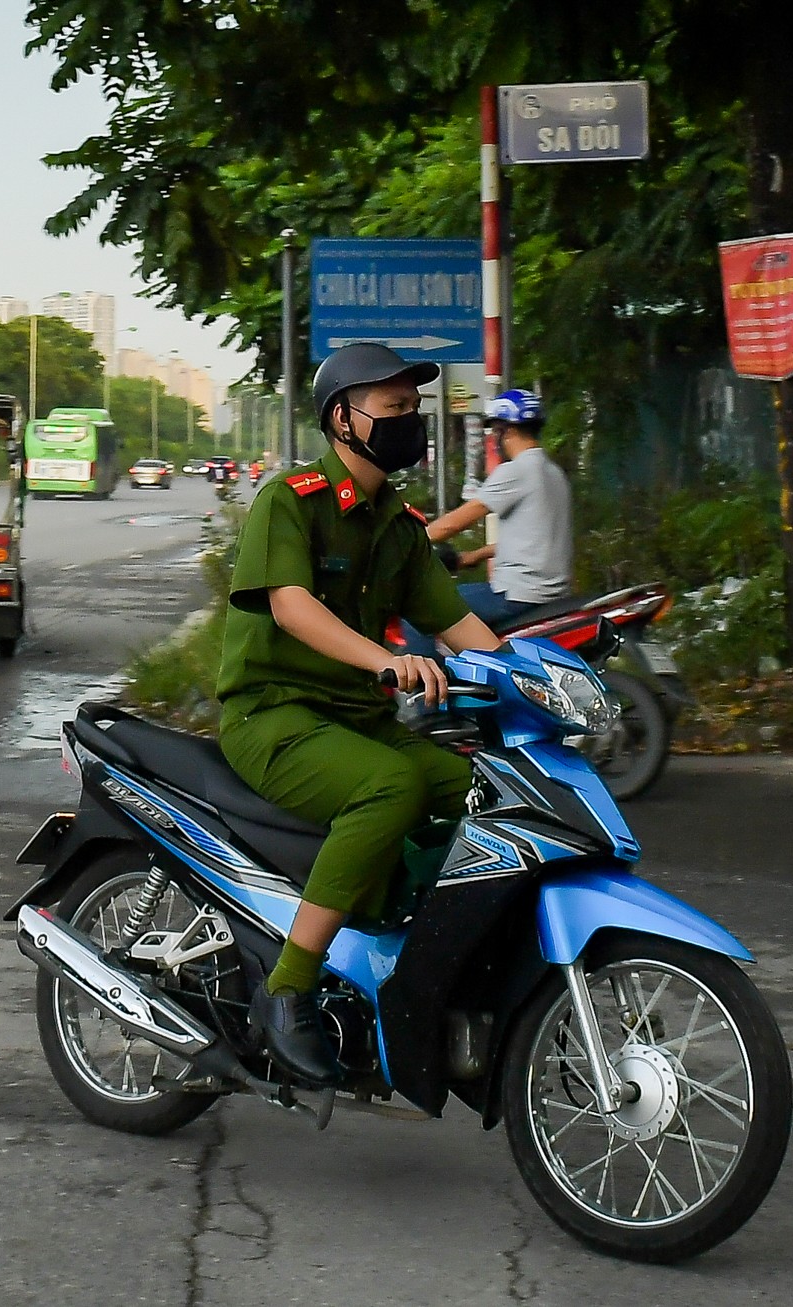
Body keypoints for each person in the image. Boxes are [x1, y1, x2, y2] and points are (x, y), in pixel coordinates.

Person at [216, 343, 506, 1087]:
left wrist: (538, 678)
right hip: (273, 714)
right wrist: (384, 661)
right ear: (343, 419)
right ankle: (288, 987)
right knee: (389, 787)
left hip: (352, 718)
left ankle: (406, 953)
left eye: (415, 409)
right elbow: (291, 605)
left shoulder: (400, 527)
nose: (412, 422)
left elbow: (460, 626)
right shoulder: (293, 499)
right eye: (395, 409)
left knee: (480, 793)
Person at [404, 389, 573, 653]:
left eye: (495, 430)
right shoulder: (553, 473)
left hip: (518, 594)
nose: (494, 439)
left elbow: (455, 522)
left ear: (505, 430)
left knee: (419, 608)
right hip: (551, 592)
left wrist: (407, 541)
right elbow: (535, 534)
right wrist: (474, 556)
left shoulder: (516, 471)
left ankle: (426, 688)